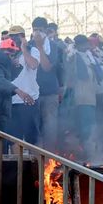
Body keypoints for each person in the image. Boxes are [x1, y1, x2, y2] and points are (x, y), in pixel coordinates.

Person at [0, 38, 34, 153]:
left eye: (13, 55)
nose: (12, 58)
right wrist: (19, 91)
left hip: (1, 115)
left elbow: (9, 78)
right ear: (3, 52)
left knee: (1, 151)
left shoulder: (4, 66)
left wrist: (17, 67)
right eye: (9, 54)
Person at [28, 18, 63, 151]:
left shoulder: (53, 47)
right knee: (34, 126)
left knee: (50, 127)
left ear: (46, 31)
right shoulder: (29, 45)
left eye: (40, 30)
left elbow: (47, 67)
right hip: (32, 93)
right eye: (35, 30)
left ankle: (49, 158)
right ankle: (36, 157)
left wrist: (40, 47)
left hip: (49, 92)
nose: (37, 33)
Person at [7, 27, 41, 146]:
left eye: (17, 36)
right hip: (12, 101)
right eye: (11, 36)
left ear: (23, 37)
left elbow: (33, 65)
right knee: (13, 140)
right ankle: (17, 164)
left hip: (29, 101)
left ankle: (35, 163)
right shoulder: (7, 52)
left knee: (32, 138)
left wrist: (24, 49)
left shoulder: (33, 50)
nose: (14, 38)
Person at [65, 35, 99, 153]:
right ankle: (83, 151)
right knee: (84, 125)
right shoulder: (74, 57)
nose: (88, 46)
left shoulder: (89, 56)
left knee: (89, 124)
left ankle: (86, 149)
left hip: (90, 96)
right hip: (81, 97)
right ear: (80, 45)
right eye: (85, 44)